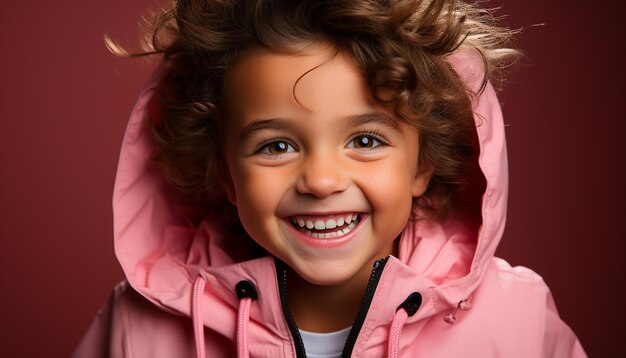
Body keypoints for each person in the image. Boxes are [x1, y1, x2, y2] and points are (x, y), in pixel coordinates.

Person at [74, 0, 586, 357]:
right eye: (277, 146)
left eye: (365, 141)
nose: (321, 180)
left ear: (423, 162)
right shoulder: (139, 325)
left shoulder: (517, 317)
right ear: (226, 174)